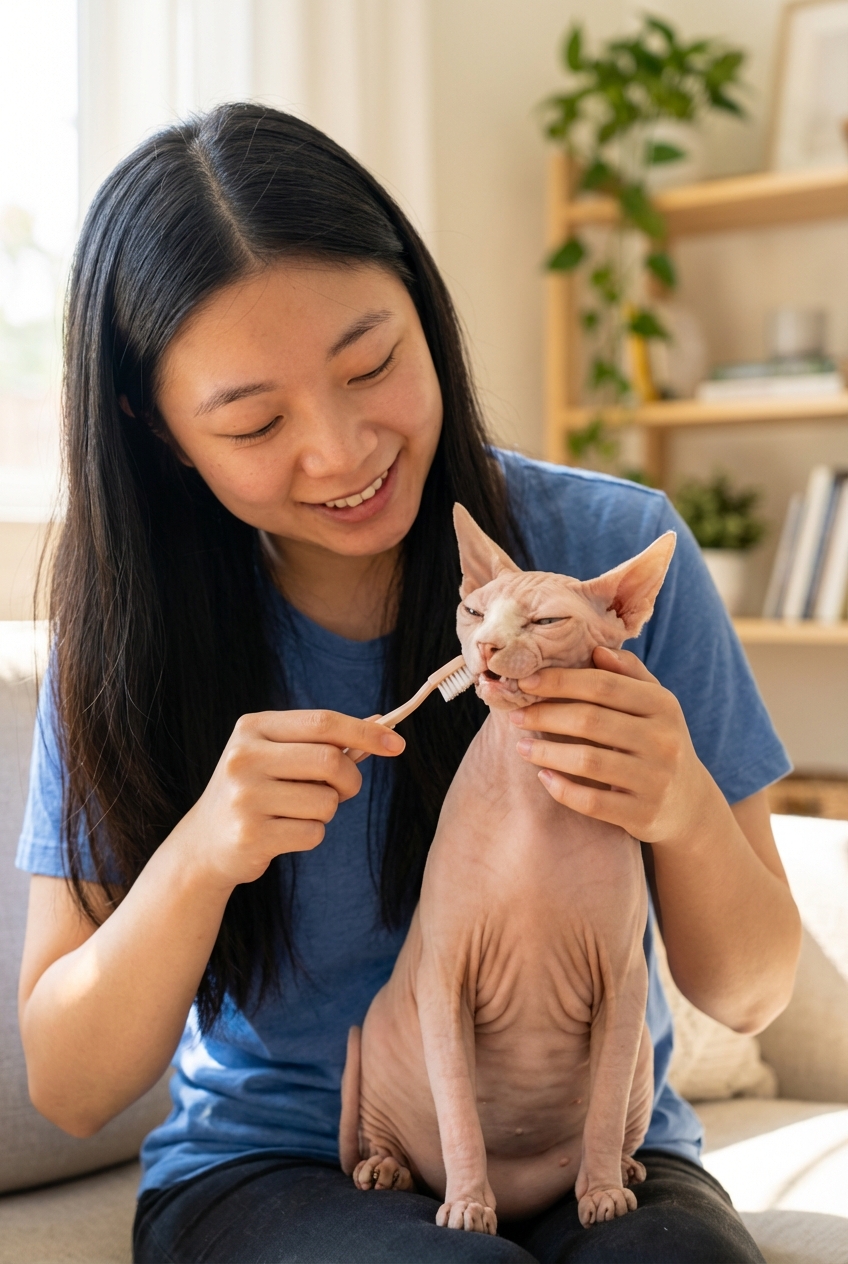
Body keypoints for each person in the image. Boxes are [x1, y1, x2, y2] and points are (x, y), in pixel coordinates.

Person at [16, 105, 800, 1264]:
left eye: (372, 363)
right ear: (161, 430)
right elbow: (71, 1087)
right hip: (275, 1164)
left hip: (600, 1157)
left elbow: (751, 993)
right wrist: (200, 854)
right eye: (256, 420)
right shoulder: (133, 633)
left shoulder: (609, 558)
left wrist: (677, 798)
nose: (340, 452)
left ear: (423, 311)